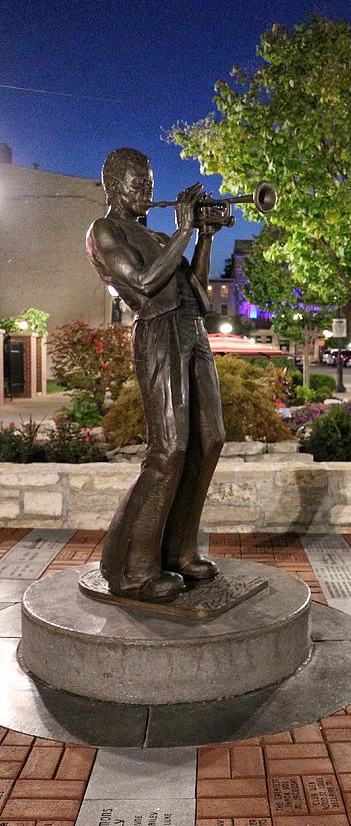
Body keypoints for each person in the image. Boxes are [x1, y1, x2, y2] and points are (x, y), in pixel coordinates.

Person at [86, 147, 225, 602]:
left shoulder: (160, 234)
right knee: (169, 450)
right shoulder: (104, 231)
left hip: (192, 329)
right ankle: (132, 570)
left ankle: (178, 553)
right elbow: (144, 285)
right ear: (112, 185)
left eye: (149, 181)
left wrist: (202, 238)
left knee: (210, 440)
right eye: (137, 183)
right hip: (159, 331)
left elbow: (198, 290)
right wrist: (184, 232)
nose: (147, 191)